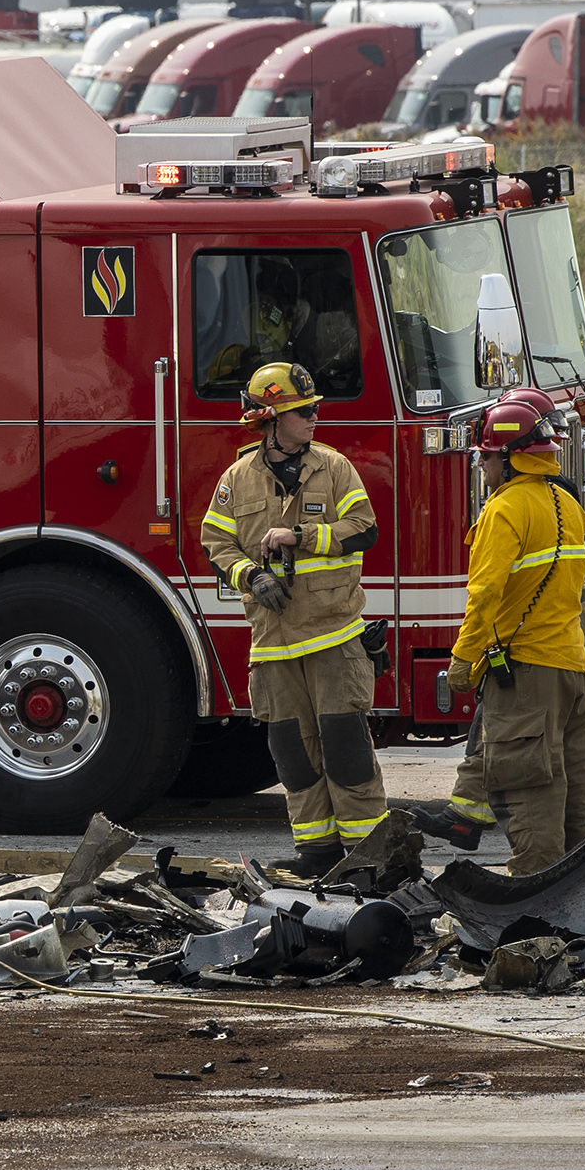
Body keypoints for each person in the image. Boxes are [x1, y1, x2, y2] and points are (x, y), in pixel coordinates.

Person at [198, 361, 384, 877]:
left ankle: (370, 859)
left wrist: (301, 536)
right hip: (274, 642)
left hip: (333, 635)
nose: (315, 417)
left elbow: (364, 530)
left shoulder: (333, 466)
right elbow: (215, 543)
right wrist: (249, 577)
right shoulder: (237, 479)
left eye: (314, 408)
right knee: (294, 758)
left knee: (346, 748)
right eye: (304, 411)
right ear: (271, 418)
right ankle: (318, 855)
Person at [424, 387, 585, 874]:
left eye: (486, 458)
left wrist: (463, 659)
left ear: (509, 458)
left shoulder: (504, 510)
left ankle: (537, 898)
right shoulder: (566, 506)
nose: (482, 468)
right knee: (575, 788)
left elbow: (483, 595)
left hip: (527, 674)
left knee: (530, 789)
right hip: (571, 669)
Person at [421, 601, 585, 858]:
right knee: (559, 731)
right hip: (562, 620)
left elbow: (487, 590)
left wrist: (465, 654)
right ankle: (466, 815)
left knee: (552, 731)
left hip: (551, 624)